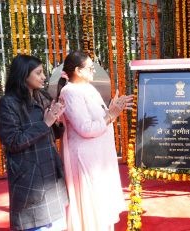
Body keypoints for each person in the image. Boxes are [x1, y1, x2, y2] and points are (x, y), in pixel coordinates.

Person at [56, 51, 133, 231]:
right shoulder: (70, 92)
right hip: (86, 159)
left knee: (101, 207)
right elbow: (86, 128)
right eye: (90, 68)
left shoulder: (88, 88)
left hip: (99, 157)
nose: (93, 72)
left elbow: (103, 118)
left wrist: (113, 111)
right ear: (78, 71)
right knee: (92, 211)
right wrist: (111, 115)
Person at [0, 55, 68, 231]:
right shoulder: (8, 104)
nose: (43, 77)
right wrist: (45, 123)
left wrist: (56, 121)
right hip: (30, 180)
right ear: (23, 75)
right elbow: (13, 141)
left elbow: (52, 133)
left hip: (50, 174)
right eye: (39, 73)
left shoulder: (41, 96)